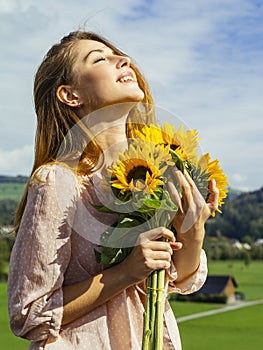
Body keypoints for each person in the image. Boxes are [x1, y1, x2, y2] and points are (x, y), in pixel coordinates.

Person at [8, 31, 219, 350]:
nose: (124, 60)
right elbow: (29, 313)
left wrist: (194, 229)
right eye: (100, 58)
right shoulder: (58, 181)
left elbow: (180, 280)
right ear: (70, 95)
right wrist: (125, 272)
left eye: (118, 54)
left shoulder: (155, 174)